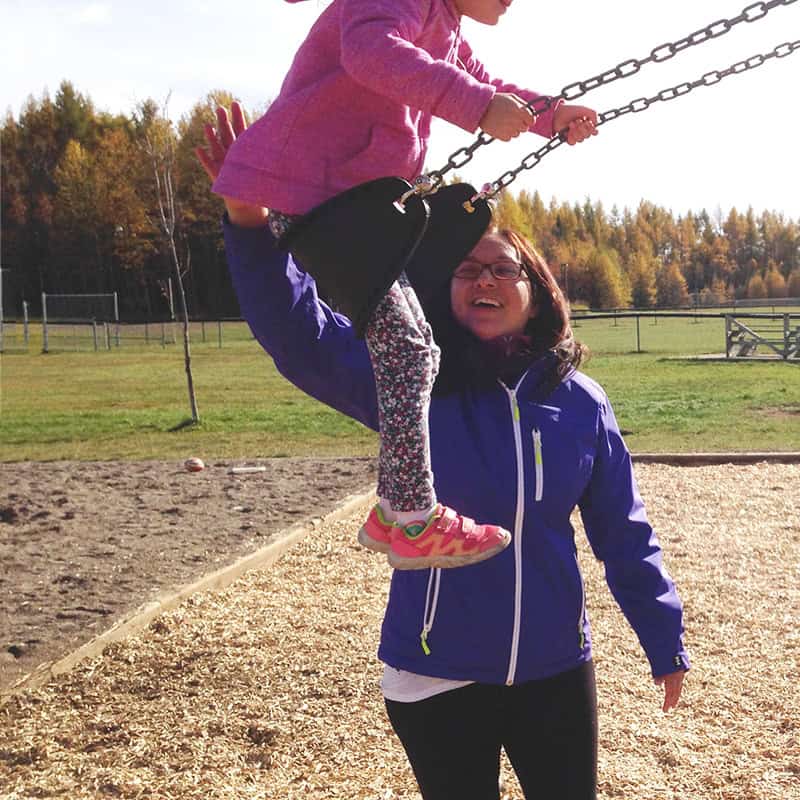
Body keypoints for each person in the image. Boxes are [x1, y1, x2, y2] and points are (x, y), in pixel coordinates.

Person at [196, 105, 689, 800]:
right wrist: (250, 222)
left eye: (502, 269)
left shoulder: (580, 402)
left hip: (552, 664)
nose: (485, 281)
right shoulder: (410, 381)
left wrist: (663, 637)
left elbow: (623, 531)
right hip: (436, 667)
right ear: (443, 293)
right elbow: (298, 331)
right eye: (466, 271)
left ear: (535, 290)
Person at [208, 0, 599, 571]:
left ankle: (397, 510)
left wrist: (552, 112)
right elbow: (371, 52)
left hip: (346, 201)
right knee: (411, 351)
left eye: (502, 271)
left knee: (416, 347)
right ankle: (410, 514)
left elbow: (478, 81)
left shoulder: (444, 21)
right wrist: (478, 106)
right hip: (325, 200)